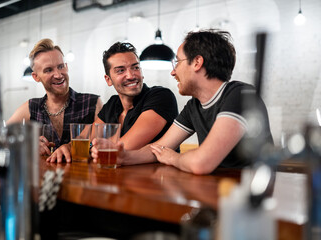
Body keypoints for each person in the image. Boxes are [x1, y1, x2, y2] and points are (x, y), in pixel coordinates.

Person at [91, 30, 273, 175]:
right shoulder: (194, 106)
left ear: (197, 63)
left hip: (251, 200)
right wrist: (123, 157)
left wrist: (172, 158)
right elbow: (160, 147)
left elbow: (202, 163)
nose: (173, 72)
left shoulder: (241, 94)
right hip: (219, 191)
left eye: (177, 62)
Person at [47, 41, 179, 163]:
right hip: (120, 180)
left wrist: (86, 148)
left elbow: (121, 149)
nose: (131, 75)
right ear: (108, 79)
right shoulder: (113, 104)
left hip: (160, 182)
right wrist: (68, 147)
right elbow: (85, 137)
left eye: (135, 67)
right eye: (121, 70)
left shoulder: (161, 96)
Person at [7, 38, 103, 155]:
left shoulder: (92, 103)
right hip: (45, 173)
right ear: (36, 77)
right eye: (48, 70)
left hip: (82, 173)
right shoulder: (31, 106)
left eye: (61, 66)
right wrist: (27, 144)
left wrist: (85, 146)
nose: (58, 75)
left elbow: (106, 143)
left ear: (66, 67)